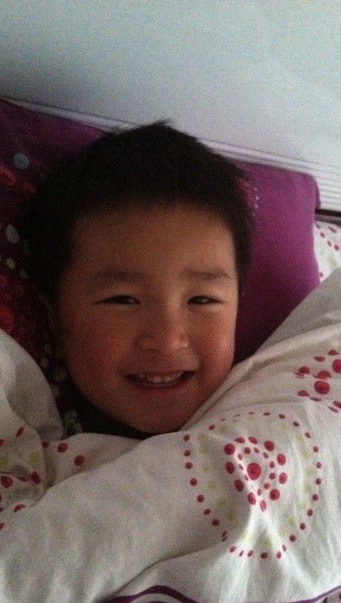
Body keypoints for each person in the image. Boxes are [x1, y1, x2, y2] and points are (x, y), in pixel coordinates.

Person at [19, 122, 254, 438]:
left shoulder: (269, 411)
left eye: (202, 299)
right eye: (123, 300)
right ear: (55, 321)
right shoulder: (22, 444)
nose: (167, 340)